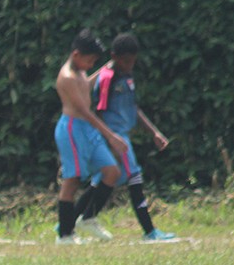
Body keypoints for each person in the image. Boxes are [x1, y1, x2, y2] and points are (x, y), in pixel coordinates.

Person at [73, 33, 176, 241]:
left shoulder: (126, 76)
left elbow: (133, 108)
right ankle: (149, 231)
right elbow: (98, 110)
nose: (130, 65)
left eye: (133, 61)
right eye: (126, 61)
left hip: (122, 137)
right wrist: (108, 140)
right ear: (114, 57)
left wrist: (154, 132)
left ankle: (68, 222)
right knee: (134, 177)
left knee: (100, 180)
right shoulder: (108, 78)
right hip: (115, 139)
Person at [52, 29, 127, 244]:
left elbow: (85, 85)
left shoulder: (80, 72)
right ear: (76, 55)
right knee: (72, 180)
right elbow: (84, 110)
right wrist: (111, 136)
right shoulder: (66, 77)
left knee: (111, 172)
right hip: (72, 129)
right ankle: (65, 235)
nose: (91, 64)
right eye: (90, 60)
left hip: (87, 129)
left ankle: (88, 217)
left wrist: (105, 70)